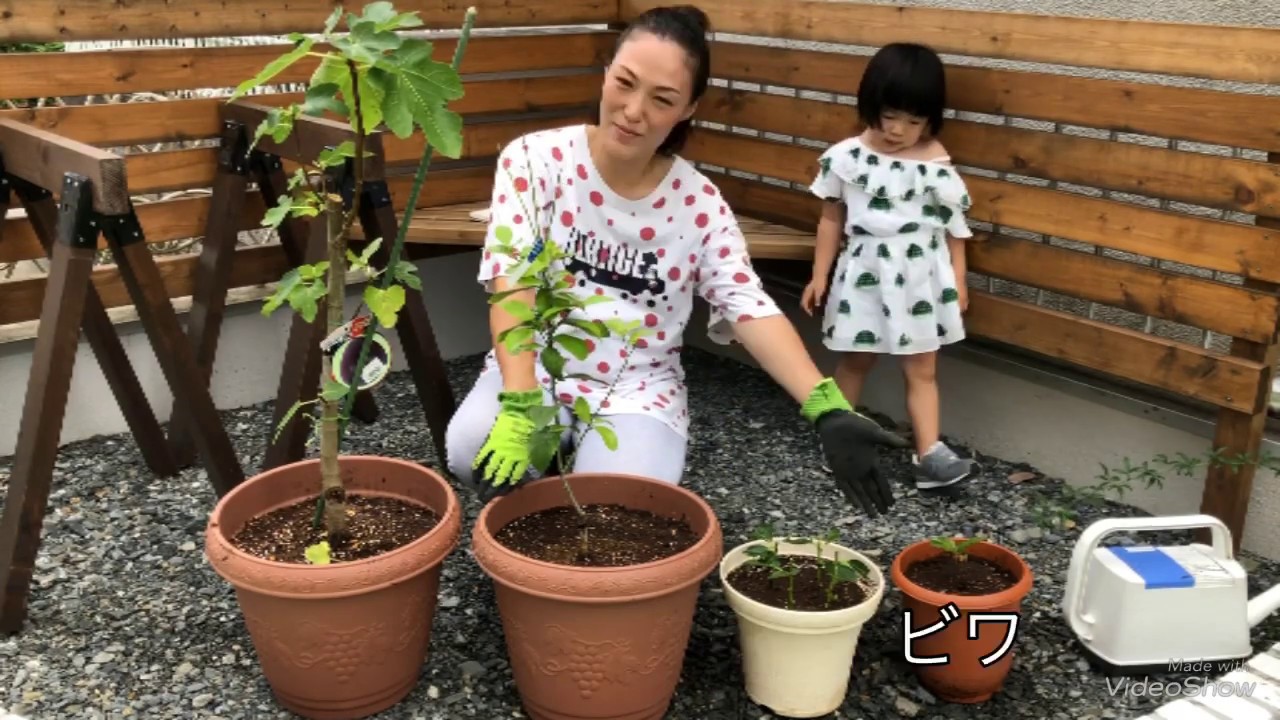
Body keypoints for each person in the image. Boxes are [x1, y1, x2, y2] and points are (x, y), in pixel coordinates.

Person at [443, 5, 910, 517]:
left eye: (662, 99)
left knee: (620, 505)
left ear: (688, 109)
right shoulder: (534, 161)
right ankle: (548, 456)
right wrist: (518, 400)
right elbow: (513, 280)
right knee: (470, 451)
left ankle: (591, 465)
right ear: (606, 73)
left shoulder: (699, 204)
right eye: (625, 83)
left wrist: (826, 407)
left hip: (636, 385)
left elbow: (748, 305)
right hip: (538, 368)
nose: (633, 110)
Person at [800, 42, 978, 491]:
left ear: (931, 120)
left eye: (914, 121)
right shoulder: (846, 157)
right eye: (891, 116)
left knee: (922, 369)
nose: (900, 130)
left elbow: (953, 226)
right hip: (864, 273)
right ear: (871, 105)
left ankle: (929, 453)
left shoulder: (936, 163)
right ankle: (839, 439)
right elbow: (830, 218)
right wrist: (819, 275)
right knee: (856, 360)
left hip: (921, 279)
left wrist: (958, 280)